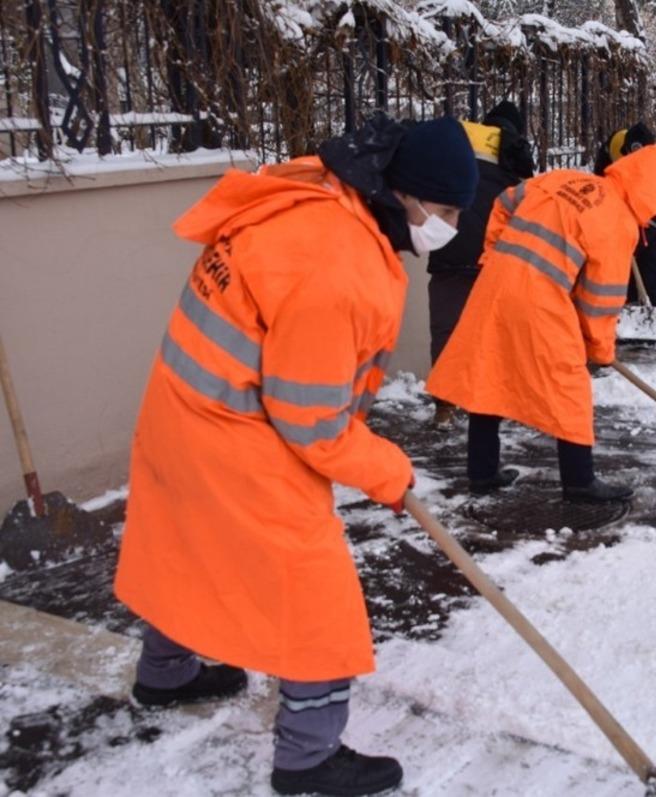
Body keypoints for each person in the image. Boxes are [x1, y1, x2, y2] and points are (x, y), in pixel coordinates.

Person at [113, 113, 479, 796]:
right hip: (238, 437)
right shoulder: (335, 261)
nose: (451, 226)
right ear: (404, 193)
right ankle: (309, 755)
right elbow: (312, 423)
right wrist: (388, 471)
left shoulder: (318, 191)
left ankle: (165, 673)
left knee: (183, 541)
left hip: (183, 409)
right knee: (315, 596)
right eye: (447, 210)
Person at [426, 145, 656, 502]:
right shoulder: (617, 221)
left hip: (494, 285)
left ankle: (482, 472)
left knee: (489, 370)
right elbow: (601, 299)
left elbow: (504, 201)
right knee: (570, 386)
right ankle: (580, 481)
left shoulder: (564, 178)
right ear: (654, 191)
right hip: (540, 300)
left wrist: (493, 254)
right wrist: (599, 348)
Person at [428, 101, 534, 426]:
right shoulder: (515, 151)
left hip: (448, 246)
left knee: (447, 328)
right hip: (492, 254)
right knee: (492, 331)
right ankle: (488, 401)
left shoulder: (459, 140)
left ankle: (445, 406)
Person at [593, 122, 656, 306]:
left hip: (647, 222)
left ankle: (644, 308)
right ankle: (642, 308)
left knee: (642, 270)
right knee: (644, 270)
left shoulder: (631, 167)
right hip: (654, 219)